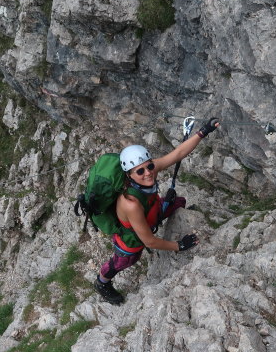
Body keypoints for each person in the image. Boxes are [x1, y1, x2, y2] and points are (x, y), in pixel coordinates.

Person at [94, 118, 220, 304]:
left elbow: (178, 153)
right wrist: (179, 245)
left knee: (178, 201)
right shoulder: (131, 203)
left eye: (150, 166)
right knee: (125, 261)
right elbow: (149, 241)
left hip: (152, 212)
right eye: (140, 171)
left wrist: (203, 132)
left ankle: (175, 211)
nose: (148, 173)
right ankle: (102, 283)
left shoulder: (148, 170)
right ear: (129, 175)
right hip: (132, 238)